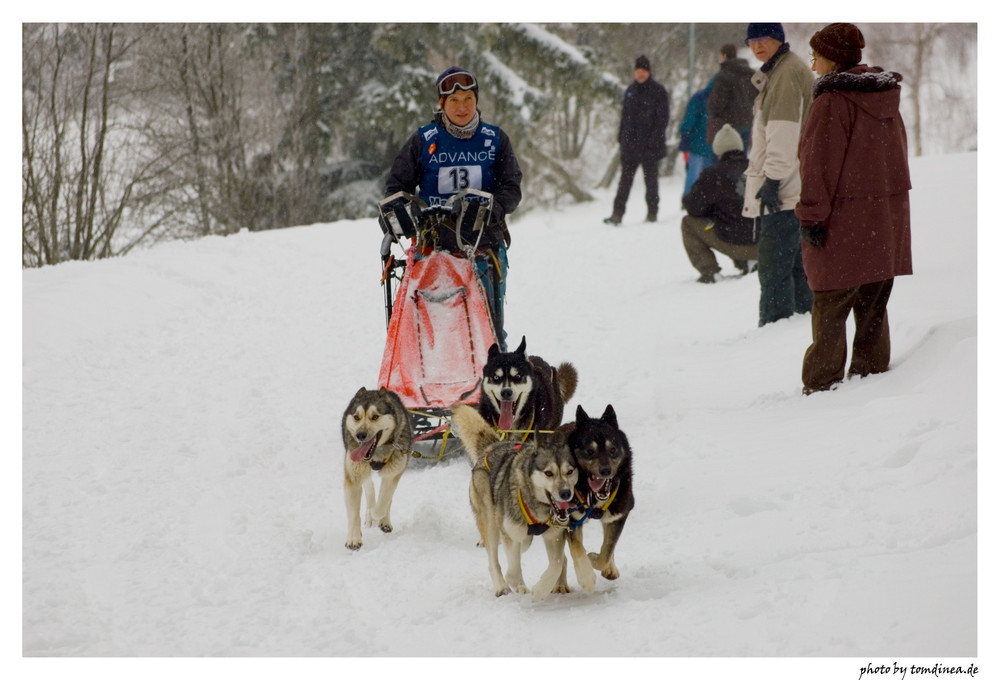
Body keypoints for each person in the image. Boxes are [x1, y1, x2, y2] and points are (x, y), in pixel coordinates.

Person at [795, 23, 912, 394]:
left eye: (816, 58)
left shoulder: (832, 101)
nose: (813, 67)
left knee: (830, 303)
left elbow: (818, 167)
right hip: (884, 219)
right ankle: (871, 378)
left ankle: (821, 386)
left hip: (844, 220)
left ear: (832, 59)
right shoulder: (885, 97)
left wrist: (811, 215)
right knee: (873, 303)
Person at [385, 66, 522, 349]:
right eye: (455, 101)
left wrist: (491, 208)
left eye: (468, 100)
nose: (462, 108)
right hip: (433, 251)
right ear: (442, 103)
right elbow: (397, 187)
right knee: (437, 333)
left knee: (489, 333)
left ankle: (489, 389)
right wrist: (399, 214)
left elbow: (512, 188)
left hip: (484, 248)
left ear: (477, 101)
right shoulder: (424, 140)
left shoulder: (495, 140)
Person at [741, 22, 814, 326]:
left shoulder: (784, 75)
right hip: (793, 187)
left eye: (763, 39)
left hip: (784, 192)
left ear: (778, 40)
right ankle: (801, 322)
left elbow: (783, 136)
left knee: (773, 268)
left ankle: (775, 331)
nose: (757, 46)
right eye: (751, 41)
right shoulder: (780, 72)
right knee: (796, 266)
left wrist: (771, 181)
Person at [680, 124, 758, 284]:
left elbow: (693, 208)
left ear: (717, 150)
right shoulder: (758, 168)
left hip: (733, 241)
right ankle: (752, 261)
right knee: (744, 221)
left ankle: (710, 271)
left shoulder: (712, 175)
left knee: (688, 223)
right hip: (763, 242)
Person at [604, 55, 670, 226]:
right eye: (638, 71)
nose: (640, 74)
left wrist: (654, 140)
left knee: (651, 182)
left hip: (650, 146)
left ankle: (652, 213)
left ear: (648, 72)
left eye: (643, 71)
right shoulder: (630, 90)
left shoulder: (658, 91)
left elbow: (662, 120)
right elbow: (625, 118)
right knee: (624, 182)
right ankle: (617, 214)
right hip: (630, 146)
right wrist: (621, 138)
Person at [706, 43, 757, 151]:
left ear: (724, 56)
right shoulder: (750, 74)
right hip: (747, 121)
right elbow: (757, 96)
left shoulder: (723, 75)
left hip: (728, 125)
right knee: (742, 158)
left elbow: (718, 103)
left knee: (727, 158)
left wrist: (712, 110)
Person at [678, 81, 715, 199]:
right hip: (713, 145)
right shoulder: (723, 98)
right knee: (709, 175)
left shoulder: (699, 97)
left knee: (693, 174)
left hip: (696, 143)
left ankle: (688, 198)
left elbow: (689, 119)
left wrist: (685, 137)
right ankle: (706, 199)